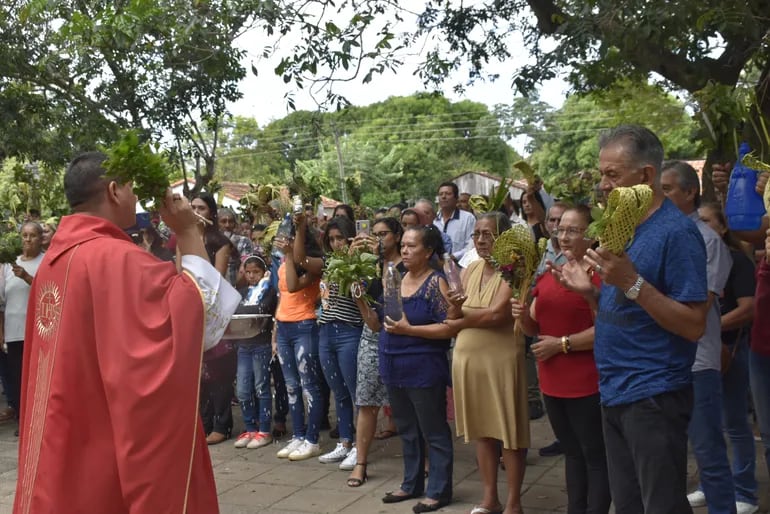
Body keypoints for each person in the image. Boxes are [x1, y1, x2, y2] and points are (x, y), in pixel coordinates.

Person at [14, 151, 240, 514]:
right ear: (115, 191)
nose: (137, 199)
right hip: (104, 447)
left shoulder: (52, 263)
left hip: (65, 436)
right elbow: (198, 318)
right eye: (133, 189)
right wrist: (186, 231)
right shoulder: (116, 260)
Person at [556, 125, 708, 514]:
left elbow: (694, 325)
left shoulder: (677, 232)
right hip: (614, 387)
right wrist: (590, 293)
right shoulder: (622, 227)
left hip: (654, 393)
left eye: (613, 175)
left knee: (661, 505)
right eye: (602, 174)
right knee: (628, 506)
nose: (603, 186)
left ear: (646, 176)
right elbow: (623, 307)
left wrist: (632, 281)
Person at [513, 206, 611, 514]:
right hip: (552, 378)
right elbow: (534, 326)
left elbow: (608, 329)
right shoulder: (551, 271)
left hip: (586, 378)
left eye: (572, 230)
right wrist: (522, 312)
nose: (563, 236)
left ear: (591, 235)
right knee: (571, 452)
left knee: (594, 455)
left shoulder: (600, 274)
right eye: (559, 229)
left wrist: (563, 345)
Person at [661, 161, 735, 514]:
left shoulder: (706, 240)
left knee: (708, 453)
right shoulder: (659, 235)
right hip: (662, 361)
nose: (659, 197)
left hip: (698, 361)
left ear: (691, 192)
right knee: (667, 458)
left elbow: (696, 309)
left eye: (668, 190)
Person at [451, 212, 530, 514]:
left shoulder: (516, 270)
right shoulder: (469, 268)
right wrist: (456, 314)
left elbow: (498, 315)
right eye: (478, 234)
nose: (482, 240)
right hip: (469, 360)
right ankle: (489, 498)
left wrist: (460, 317)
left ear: (505, 238)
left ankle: (514, 502)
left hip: (499, 358)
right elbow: (449, 307)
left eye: (489, 234)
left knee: (508, 431)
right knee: (481, 430)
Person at [378, 225, 461, 513]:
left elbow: (448, 328)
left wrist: (410, 330)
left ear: (428, 252)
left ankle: (439, 489)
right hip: (393, 363)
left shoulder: (436, 282)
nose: (405, 250)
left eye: (412, 246)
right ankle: (411, 483)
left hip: (423, 365)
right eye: (403, 245)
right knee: (406, 428)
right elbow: (382, 322)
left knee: (433, 430)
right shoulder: (395, 279)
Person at [697, 202, 758, 514]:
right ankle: (708, 486)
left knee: (734, 421)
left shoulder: (737, 260)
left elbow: (748, 309)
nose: (701, 226)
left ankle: (746, 490)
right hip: (704, 351)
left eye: (707, 221)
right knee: (707, 426)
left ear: (722, 227)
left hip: (732, 348)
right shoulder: (697, 258)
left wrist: (704, 324)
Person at [343, 217, 404, 486]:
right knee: (366, 402)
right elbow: (361, 304)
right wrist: (352, 263)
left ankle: (423, 460)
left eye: (384, 234)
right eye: (374, 234)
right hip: (371, 337)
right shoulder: (366, 266)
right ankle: (360, 463)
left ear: (398, 236)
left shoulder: (407, 265)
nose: (377, 239)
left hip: (403, 338)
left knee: (407, 404)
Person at [273, 216, 325, 461]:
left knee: (308, 385)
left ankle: (312, 439)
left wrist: (289, 256)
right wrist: (275, 332)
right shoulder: (284, 263)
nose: (285, 241)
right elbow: (282, 297)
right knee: (291, 385)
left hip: (304, 325)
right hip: (283, 327)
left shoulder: (312, 266)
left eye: (290, 239)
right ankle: (298, 435)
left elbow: (293, 286)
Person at [193, 195, 236, 445]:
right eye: (193, 207)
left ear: (210, 212)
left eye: (201, 207)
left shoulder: (220, 242)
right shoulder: (181, 239)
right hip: (190, 309)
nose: (196, 211)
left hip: (213, 309)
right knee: (198, 373)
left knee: (218, 370)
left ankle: (222, 423)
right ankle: (203, 421)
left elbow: (216, 278)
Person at [1, 222, 45, 432]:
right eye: (24, 235)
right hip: (13, 331)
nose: (27, 240)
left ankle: (39, 419)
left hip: (37, 330)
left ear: (41, 239)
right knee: (18, 378)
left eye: (33, 236)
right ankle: (23, 419)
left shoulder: (45, 261)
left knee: (37, 378)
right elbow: (2, 302)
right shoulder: (8, 265)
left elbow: (48, 291)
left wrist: (27, 277)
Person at [233, 255, 279, 450]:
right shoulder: (242, 292)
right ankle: (250, 426)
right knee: (243, 389)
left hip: (261, 343)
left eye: (256, 272)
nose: (252, 276)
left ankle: (265, 429)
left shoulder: (268, 291)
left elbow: (262, 308)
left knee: (261, 386)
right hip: (244, 345)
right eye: (248, 272)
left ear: (264, 272)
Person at [434, 182, 475, 262]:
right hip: (437, 267)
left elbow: (472, 245)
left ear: (456, 198)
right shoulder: (434, 220)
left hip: (460, 267)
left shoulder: (468, 218)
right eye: (441, 194)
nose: (443, 197)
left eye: (448, 194)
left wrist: (454, 256)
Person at [218, 207, 254, 286]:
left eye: (230, 222)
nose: (227, 225)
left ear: (235, 224)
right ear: (217, 223)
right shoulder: (211, 241)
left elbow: (245, 268)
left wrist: (235, 289)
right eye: (223, 221)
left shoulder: (244, 241)